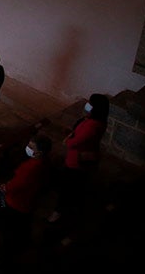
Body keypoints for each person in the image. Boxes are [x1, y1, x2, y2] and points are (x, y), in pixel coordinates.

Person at [48, 93, 109, 224]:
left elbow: (72, 143)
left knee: (70, 186)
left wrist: (69, 138)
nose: (87, 105)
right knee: (75, 184)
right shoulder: (97, 121)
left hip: (77, 160)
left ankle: (60, 212)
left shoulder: (92, 125)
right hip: (81, 157)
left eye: (90, 104)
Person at [2, 135, 52, 248]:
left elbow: (18, 184)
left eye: (31, 147)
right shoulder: (43, 161)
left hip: (18, 202)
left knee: (16, 224)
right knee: (24, 222)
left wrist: (6, 187)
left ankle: (15, 243)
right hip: (30, 199)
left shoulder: (32, 168)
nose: (27, 147)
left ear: (39, 152)